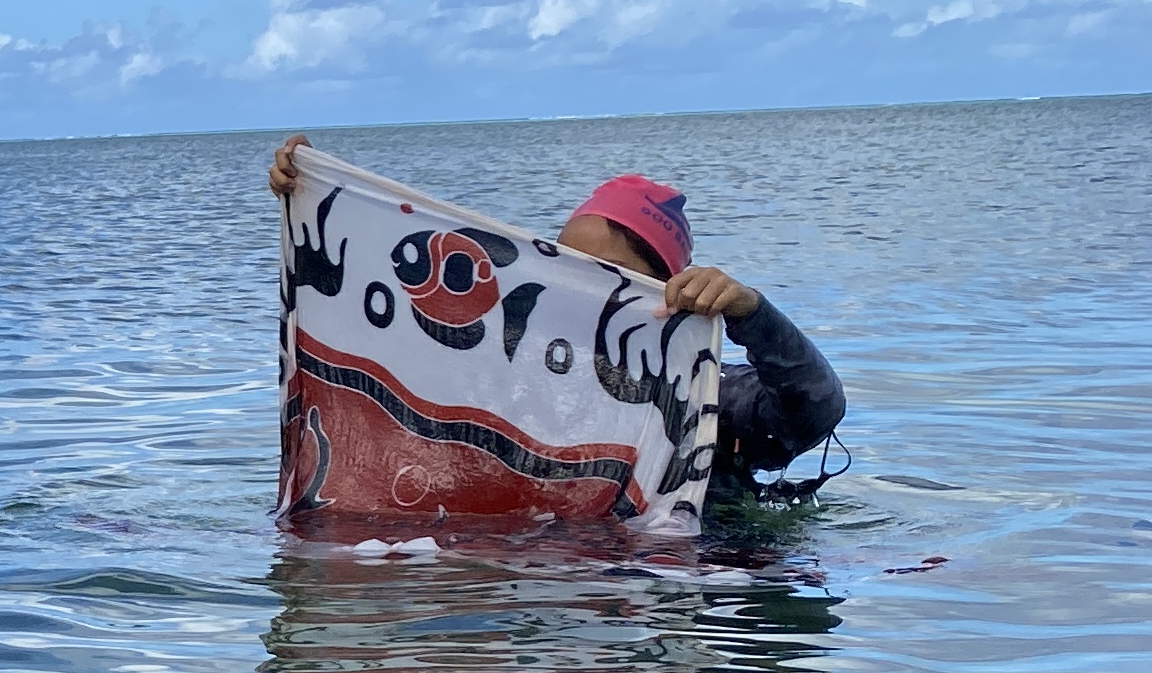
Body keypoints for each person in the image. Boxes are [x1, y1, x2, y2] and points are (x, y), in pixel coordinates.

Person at [269, 138, 843, 492]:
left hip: (698, 578)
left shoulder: (703, 399)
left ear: (663, 290)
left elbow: (816, 408)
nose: (575, 287)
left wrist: (751, 312)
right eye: (565, 264)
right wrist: (322, 200)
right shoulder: (516, 380)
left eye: (600, 272)